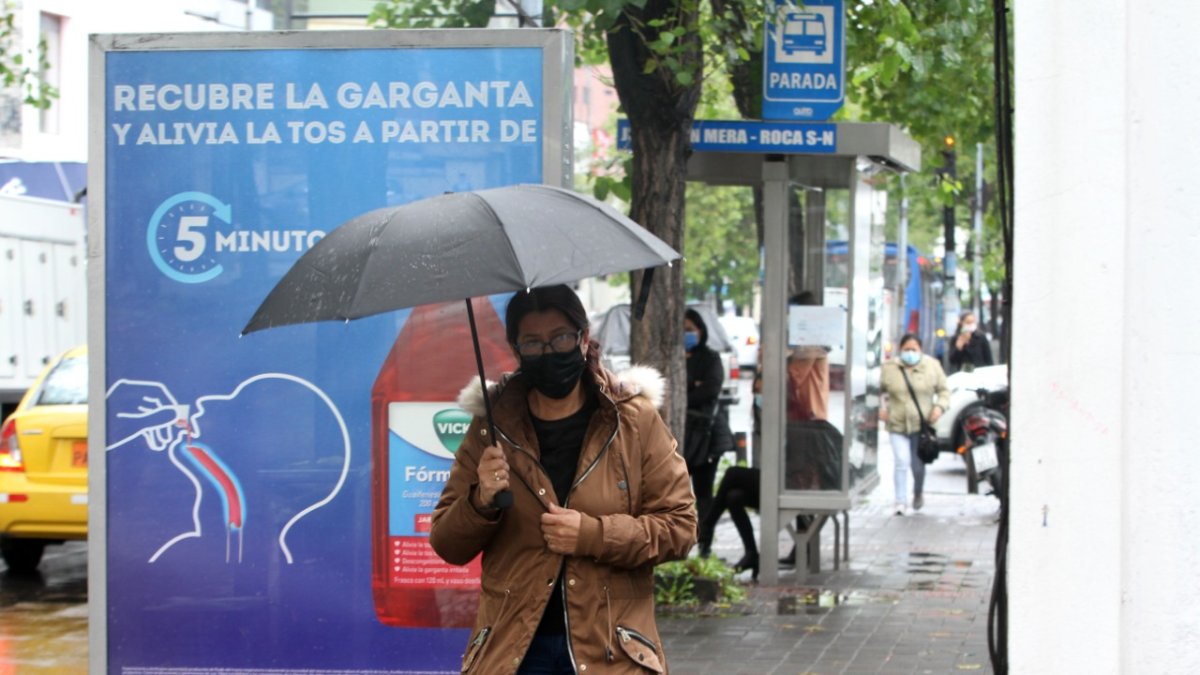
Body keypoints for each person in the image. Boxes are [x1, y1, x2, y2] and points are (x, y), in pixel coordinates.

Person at [429, 285, 696, 674]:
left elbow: (680, 527)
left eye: (560, 338)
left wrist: (592, 535)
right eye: (533, 343)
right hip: (515, 651)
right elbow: (447, 544)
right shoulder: (491, 427)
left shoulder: (632, 421)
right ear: (516, 349)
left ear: (584, 338)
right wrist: (480, 500)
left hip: (611, 651)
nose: (549, 352)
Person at [879, 334, 950, 515]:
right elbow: (877, 391)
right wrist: (880, 409)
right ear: (900, 349)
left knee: (917, 466)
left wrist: (939, 408)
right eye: (906, 349)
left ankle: (918, 492)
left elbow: (944, 391)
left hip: (921, 426)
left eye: (914, 349)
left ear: (920, 350)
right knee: (901, 461)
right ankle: (900, 501)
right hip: (897, 424)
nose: (910, 353)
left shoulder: (932, 367)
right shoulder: (890, 368)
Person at [683, 308, 733, 524]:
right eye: (681, 330)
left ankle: (704, 537)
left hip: (706, 436)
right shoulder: (673, 357)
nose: (685, 334)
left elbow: (710, 390)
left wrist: (686, 391)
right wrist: (693, 384)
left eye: (689, 329)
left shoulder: (710, 358)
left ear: (700, 330)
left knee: (703, 493)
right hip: (681, 435)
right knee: (677, 493)